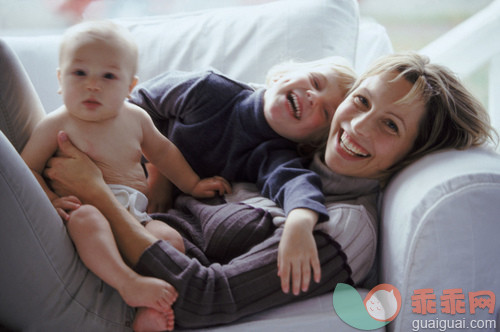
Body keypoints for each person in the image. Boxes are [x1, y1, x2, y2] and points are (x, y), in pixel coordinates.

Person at [0, 38, 495, 330]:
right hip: (102, 206)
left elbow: (205, 297)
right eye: (362, 101)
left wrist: (97, 194)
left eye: (390, 127)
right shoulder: (287, 145)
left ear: (412, 154)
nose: (358, 126)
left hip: (103, 288)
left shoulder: (342, 227)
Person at [19, 21, 230, 331]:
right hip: (86, 211)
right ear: (60, 79)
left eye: (108, 76)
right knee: (86, 221)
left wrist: (193, 184)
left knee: (170, 239)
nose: (93, 85)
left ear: (130, 87)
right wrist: (52, 199)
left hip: (136, 218)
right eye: (80, 73)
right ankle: (128, 282)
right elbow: (27, 171)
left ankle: (145, 304)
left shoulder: (136, 118)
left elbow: (164, 153)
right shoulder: (57, 125)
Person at [128, 56, 358, 296]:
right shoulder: (209, 88)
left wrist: (300, 223)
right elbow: (136, 104)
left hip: (150, 211)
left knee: (166, 244)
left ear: (310, 142)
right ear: (282, 75)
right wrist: (159, 170)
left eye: (325, 111)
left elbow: (297, 184)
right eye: (316, 82)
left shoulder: (272, 153)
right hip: (121, 156)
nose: (314, 97)